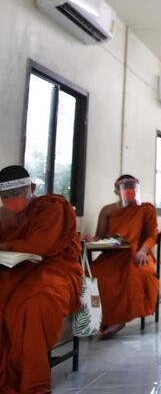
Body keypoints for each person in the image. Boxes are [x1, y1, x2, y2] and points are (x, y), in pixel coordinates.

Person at [0, 165, 82, 394]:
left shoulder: (52, 207)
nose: (12, 200)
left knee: (33, 305)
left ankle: (33, 383)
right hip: (16, 272)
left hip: (56, 271)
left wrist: (5, 245)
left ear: (32, 188)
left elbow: (41, 245)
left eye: (17, 193)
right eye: (5, 196)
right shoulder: (6, 217)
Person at [89, 174, 158, 339]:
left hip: (138, 253)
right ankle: (102, 319)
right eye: (125, 188)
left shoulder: (146, 209)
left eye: (132, 187)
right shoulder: (107, 210)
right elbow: (100, 235)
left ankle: (119, 319)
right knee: (93, 274)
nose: (129, 191)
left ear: (137, 189)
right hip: (113, 255)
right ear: (116, 191)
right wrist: (92, 239)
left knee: (137, 274)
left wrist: (143, 251)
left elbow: (152, 236)